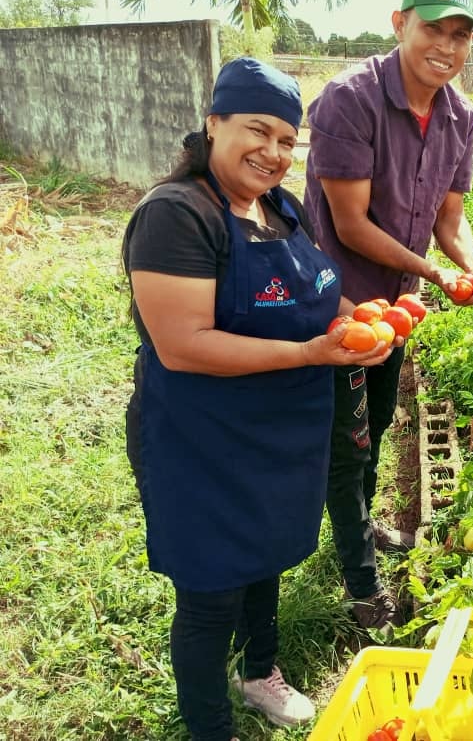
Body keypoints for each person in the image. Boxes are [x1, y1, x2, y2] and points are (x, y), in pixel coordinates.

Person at [123, 57, 393, 741]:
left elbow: (318, 296)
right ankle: (209, 723)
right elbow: (183, 343)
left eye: (285, 140)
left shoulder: (279, 207)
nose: (272, 152)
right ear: (213, 123)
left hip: (279, 432)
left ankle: (260, 672)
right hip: (204, 438)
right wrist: (309, 354)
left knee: (266, 555)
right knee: (212, 590)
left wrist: (365, 323)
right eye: (256, 130)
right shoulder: (177, 215)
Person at [304, 0, 473, 631]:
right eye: (434, 29)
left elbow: (451, 219)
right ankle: (362, 586)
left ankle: (358, 533)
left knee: (382, 420)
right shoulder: (350, 99)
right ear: (401, 23)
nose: (446, 47)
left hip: (400, 303)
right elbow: (350, 222)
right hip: (341, 300)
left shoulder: (460, 117)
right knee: (350, 440)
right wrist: (433, 273)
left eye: (460, 36)